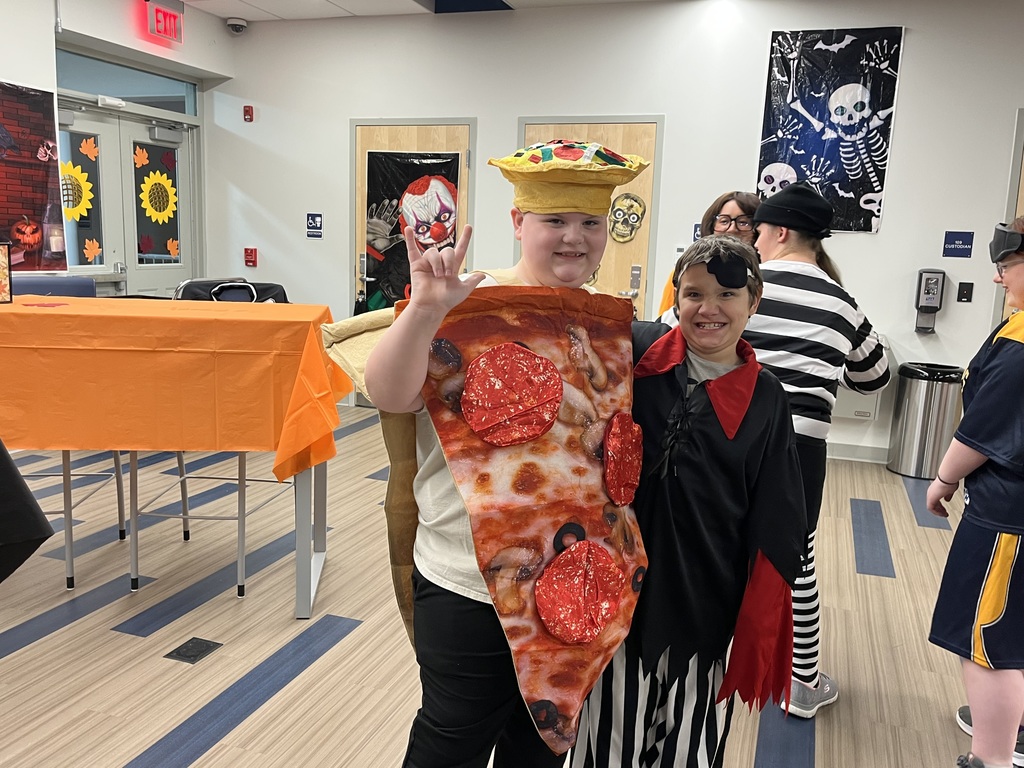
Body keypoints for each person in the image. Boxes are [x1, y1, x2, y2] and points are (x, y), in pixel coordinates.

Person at [362, 139, 648, 768]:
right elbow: (388, 392)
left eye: (589, 223)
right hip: (468, 580)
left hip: (578, 575)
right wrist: (424, 312)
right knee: (452, 738)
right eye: (555, 221)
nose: (573, 238)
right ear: (518, 223)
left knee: (542, 741)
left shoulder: (605, 320)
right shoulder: (469, 298)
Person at [572, 235, 807, 767]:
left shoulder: (766, 398)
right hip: (617, 600)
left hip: (706, 601)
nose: (709, 308)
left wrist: (761, 613)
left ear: (755, 301)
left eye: (727, 294)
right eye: (694, 293)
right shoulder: (631, 359)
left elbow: (778, 512)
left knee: (690, 744)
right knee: (609, 741)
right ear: (675, 298)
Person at [743, 180, 891, 718]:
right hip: (801, 450)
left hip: (732, 441)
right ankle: (802, 684)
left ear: (780, 231)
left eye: (758, 232)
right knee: (795, 560)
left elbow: (674, 336)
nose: (754, 242)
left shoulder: (744, 286)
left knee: (715, 542)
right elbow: (876, 376)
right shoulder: (842, 301)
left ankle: (714, 662)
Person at [928, 220, 1024, 768]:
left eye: (1007, 265)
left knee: (986, 641)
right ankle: (1009, 725)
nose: (997, 276)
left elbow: (984, 430)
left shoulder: (1019, 342)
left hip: (1006, 514)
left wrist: (943, 480)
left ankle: (990, 757)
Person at [656, 190, 761, 325]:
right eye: (724, 221)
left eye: (744, 222)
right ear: (711, 226)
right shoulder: (684, 274)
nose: (732, 229)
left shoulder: (766, 276)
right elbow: (665, 328)